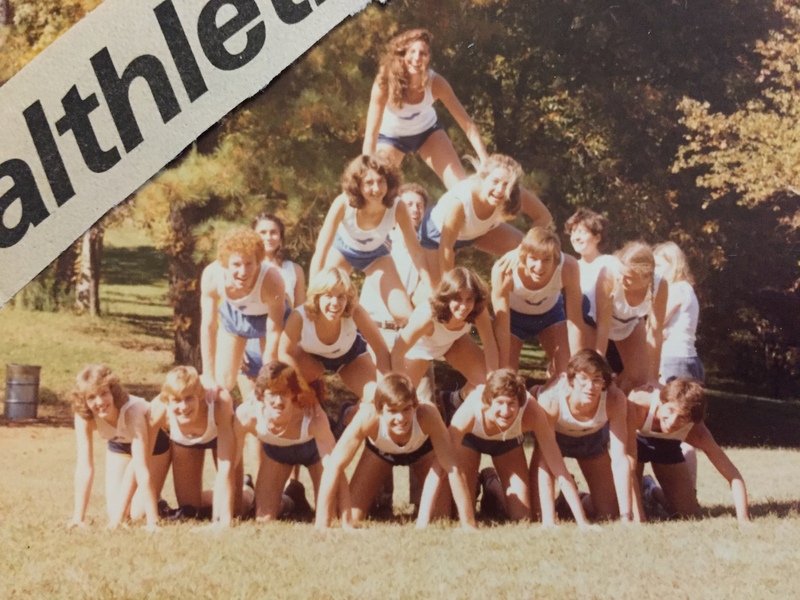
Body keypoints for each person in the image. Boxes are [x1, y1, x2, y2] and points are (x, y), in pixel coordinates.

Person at [315, 373, 476, 529]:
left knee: (440, 517)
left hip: (422, 451)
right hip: (381, 452)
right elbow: (334, 465)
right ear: (379, 409)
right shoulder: (368, 416)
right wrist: (321, 523)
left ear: (415, 406)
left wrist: (468, 524)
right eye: (392, 411)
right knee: (353, 515)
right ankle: (349, 411)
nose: (400, 418)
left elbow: (453, 468)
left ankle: (485, 481)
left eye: (406, 409)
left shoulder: (428, 413)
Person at [448, 368, 596, 528]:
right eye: (500, 403)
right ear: (488, 401)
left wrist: (583, 523)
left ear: (520, 402)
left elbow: (558, 468)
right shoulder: (470, 409)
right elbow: (444, 463)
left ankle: (491, 484)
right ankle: (474, 483)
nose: (505, 411)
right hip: (470, 440)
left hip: (507, 440)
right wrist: (462, 522)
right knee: (457, 513)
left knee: (522, 516)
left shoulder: (532, 410)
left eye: (511, 403)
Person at [309, 154, 431, 327]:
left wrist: (430, 286)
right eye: (369, 183)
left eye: (381, 181)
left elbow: (416, 252)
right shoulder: (343, 203)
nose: (376, 189)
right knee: (326, 305)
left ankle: (399, 345)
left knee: (406, 317)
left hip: (376, 255)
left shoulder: (397, 206)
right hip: (342, 251)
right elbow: (321, 250)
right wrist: (312, 293)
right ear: (357, 185)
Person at [363, 28, 489, 189]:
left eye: (422, 53)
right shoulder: (384, 82)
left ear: (428, 57)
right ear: (403, 54)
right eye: (412, 52)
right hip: (391, 137)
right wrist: (367, 170)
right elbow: (371, 135)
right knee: (377, 187)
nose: (417, 58)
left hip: (427, 132)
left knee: (460, 188)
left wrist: (485, 160)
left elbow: (468, 126)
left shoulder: (436, 83)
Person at [232, 361, 349, 523]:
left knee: (332, 516)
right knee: (264, 518)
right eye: (272, 394)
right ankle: (291, 500)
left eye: (284, 394)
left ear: (294, 394)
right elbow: (230, 465)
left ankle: (312, 502)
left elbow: (334, 466)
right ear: (261, 396)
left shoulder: (313, 414)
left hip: (314, 449)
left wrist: (346, 517)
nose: (278, 401)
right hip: (278, 452)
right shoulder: (247, 414)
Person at [627, 378, 750, 525]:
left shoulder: (697, 432)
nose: (672, 421)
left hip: (667, 445)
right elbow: (626, 466)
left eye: (682, 417)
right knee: (620, 506)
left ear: (691, 420)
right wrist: (639, 519)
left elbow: (734, 476)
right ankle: (639, 496)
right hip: (636, 442)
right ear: (662, 401)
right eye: (671, 410)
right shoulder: (638, 404)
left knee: (687, 513)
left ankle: (650, 489)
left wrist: (744, 520)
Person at [279, 267, 391, 421]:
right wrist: (302, 389)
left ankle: (347, 419)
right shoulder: (300, 316)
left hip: (350, 358)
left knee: (378, 400)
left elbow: (381, 349)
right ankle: (313, 429)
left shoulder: (355, 311)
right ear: (317, 297)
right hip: (311, 358)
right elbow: (284, 352)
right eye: (328, 296)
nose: (335, 303)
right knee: (293, 396)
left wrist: (385, 385)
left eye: (341, 297)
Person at [418, 154, 551, 282]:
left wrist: (521, 250)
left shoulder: (513, 192)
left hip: (477, 233)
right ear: (483, 178)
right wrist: (449, 289)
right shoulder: (460, 202)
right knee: (437, 291)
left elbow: (544, 217)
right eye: (495, 181)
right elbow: (446, 247)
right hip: (437, 238)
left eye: (506, 184)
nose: (500, 190)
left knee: (526, 253)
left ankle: (528, 293)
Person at [533, 350, 632, 522]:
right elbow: (545, 460)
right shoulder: (551, 400)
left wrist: (627, 516)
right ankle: (492, 482)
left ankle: (572, 499)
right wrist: (548, 521)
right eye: (583, 378)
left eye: (596, 379)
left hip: (591, 438)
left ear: (604, 382)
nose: (590, 386)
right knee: (535, 513)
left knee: (609, 513)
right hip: (555, 437)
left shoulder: (615, 399)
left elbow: (620, 459)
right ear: (571, 380)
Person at [67, 365, 170, 530]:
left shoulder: (132, 412)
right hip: (119, 445)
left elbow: (139, 467)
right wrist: (78, 518)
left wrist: (152, 523)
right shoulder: (84, 417)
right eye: (91, 397)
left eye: (104, 393)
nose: (100, 402)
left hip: (153, 444)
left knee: (136, 514)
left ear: (113, 392)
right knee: (115, 511)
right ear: (84, 401)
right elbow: (84, 467)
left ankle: (159, 505)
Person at [391, 267, 498, 405]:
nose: (464, 306)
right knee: (402, 400)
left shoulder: (478, 309)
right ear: (447, 298)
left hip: (452, 342)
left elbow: (490, 344)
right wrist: (397, 384)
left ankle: (453, 401)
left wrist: (492, 378)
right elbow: (397, 352)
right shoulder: (427, 317)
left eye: (469, 299)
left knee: (490, 387)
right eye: (457, 299)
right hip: (419, 350)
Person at [149, 366, 242, 525]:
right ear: (167, 400)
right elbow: (139, 463)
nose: (183, 407)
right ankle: (212, 499)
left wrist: (220, 521)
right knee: (190, 510)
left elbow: (225, 466)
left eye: (189, 398)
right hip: (186, 443)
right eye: (177, 400)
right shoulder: (158, 409)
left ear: (200, 395)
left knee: (237, 510)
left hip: (219, 433)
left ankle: (247, 489)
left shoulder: (219, 403)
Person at [200, 227, 287, 391]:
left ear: (258, 261)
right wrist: (208, 375)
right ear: (225, 263)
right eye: (236, 264)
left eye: (249, 264)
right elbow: (208, 327)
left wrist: (269, 377)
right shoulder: (212, 276)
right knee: (222, 384)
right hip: (235, 314)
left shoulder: (272, 280)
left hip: (269, 317)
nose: (243, 272)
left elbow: (274, 332)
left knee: (275, 383)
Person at [492, 226, 587, 375]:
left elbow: (575, 321)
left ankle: (546, 385)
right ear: (524, 256)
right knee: (507, 374)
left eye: (546, 259)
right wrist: (503, 368)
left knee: (567, 373)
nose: (539, 267)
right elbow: (502, 326)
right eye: (533, 259)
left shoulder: (569, 267)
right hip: (512, 319)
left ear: (556, 259)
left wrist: (578, 364)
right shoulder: (504, 270)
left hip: (550, 316)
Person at [239, 213, 307, 398]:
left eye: (273, 232)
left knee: (280, 401)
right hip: (249, 345)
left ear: (281, 237)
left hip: (282, 346)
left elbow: (301, 313)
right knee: (252, 404)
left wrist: (297, 349)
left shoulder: (294, 270)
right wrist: (237, 349)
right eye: (262, 232)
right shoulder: (244, 268)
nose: (268, 237)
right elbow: (232, 311)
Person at [654, 240, 704, 486]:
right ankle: (687, 490)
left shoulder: (676, 289)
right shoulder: (687, 289)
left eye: (659, 265)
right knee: (687, 430)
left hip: (675, 360)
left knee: (680, 432)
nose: (656, 271)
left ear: (673, 264)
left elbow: (656, 322)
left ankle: (686, 490)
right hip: (688, 358)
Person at [594, 241, 668, 393]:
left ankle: (617, 402)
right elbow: (603, 327)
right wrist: (597, 365)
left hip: (628, 322)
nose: (621, 279)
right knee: (590, 375)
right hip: (594, 322)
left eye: (628, 277)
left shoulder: (660, 284)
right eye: (621, 273)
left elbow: (655, 332)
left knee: (640, 380)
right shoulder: (609, 276)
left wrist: (653, 379)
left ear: (645, 277)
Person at [564, 208, 622, 371]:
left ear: (597, 237)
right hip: (582, 337)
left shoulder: (608, 263)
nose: (576, 237)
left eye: (582, 232)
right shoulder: (573, 267)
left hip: (611, 337)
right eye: (573, 232)